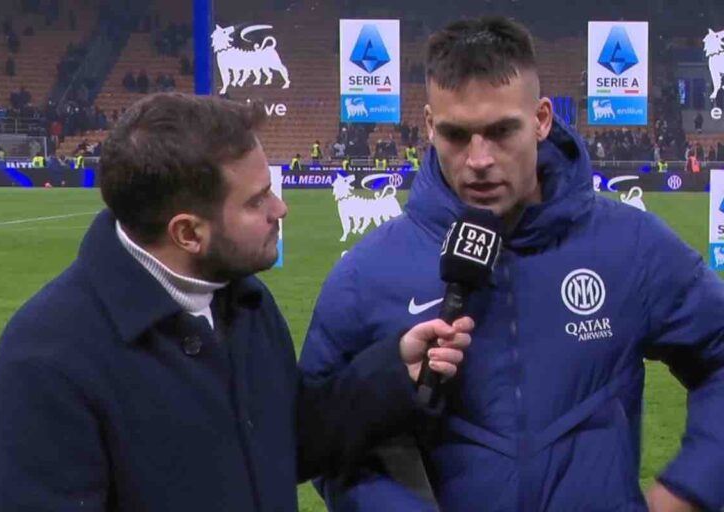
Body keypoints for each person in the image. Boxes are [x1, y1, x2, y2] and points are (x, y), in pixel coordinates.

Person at [299, 16, 724, 512]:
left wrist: (690, 488)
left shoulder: (631, 245)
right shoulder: (366, 273)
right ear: (430, 126)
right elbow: (317, 437)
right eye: (456, 135)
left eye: (501, 131)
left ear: (541, 120)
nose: (479, 159)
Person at [0, 92, 472, 511]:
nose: (281, 208)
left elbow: (285, 442)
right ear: (188, 233)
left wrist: (393, 370)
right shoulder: (48, 359)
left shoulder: (243, 301)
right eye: (257, 201)